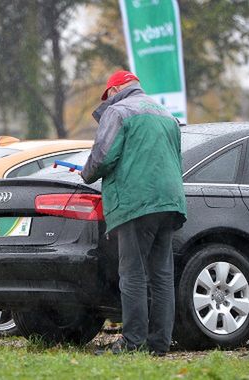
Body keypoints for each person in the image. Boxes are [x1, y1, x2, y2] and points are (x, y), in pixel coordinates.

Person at [81, 70, 187, 355]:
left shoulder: (118, 112)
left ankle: (132, 342)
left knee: (133, 274)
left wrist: (85, 173)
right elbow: (176, 160)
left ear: (114, 91)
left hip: (136, 203)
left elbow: (103, 156)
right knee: (162, 276)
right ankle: (159, 345)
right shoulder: (166, 115)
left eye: (108, 95)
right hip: (170, 202)